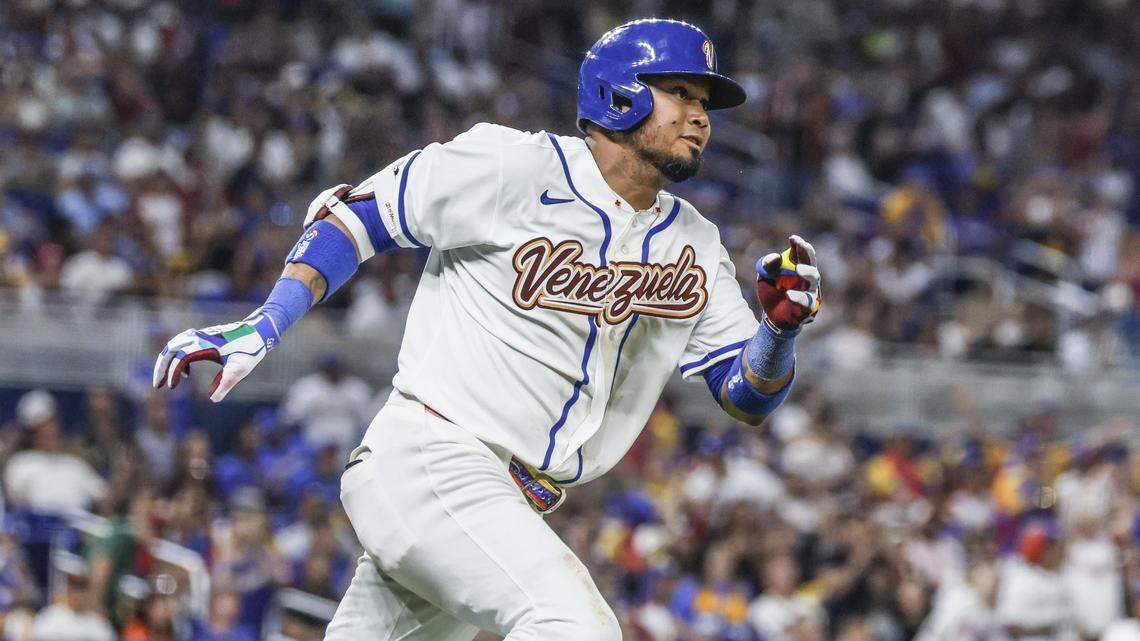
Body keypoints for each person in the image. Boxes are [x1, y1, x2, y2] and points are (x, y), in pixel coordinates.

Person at [152, 19, 823, 641]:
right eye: (681, 93)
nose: (701, 117)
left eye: (706, 102)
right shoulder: (512, 167)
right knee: (573, 624)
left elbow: (746, 393)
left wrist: (779, 329)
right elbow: (358, 219)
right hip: (431, 456)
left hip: (510, 499)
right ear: (620, 94)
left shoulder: (696, 243)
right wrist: (266, 323)